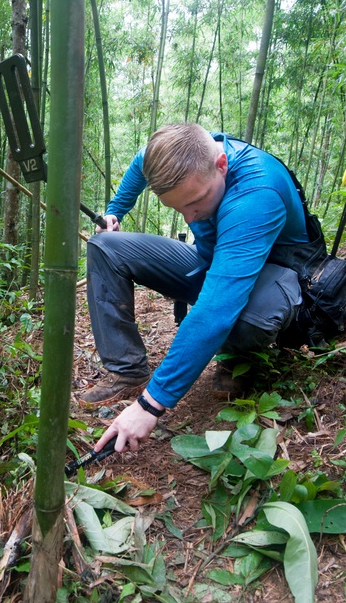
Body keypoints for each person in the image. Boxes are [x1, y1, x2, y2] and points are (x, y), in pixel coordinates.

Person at [82, 123, 325, 454]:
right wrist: (115, 210)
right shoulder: (182, 157)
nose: (189, 217)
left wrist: (149, 406)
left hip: (273, 280)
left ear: (221, 166)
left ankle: (237, 356)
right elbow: (143, 160)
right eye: (177, 208)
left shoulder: (256, 195)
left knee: (246, 316)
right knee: (105, 246)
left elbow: (215, 310)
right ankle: (128, 370)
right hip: (211, 262)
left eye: (195, 201)